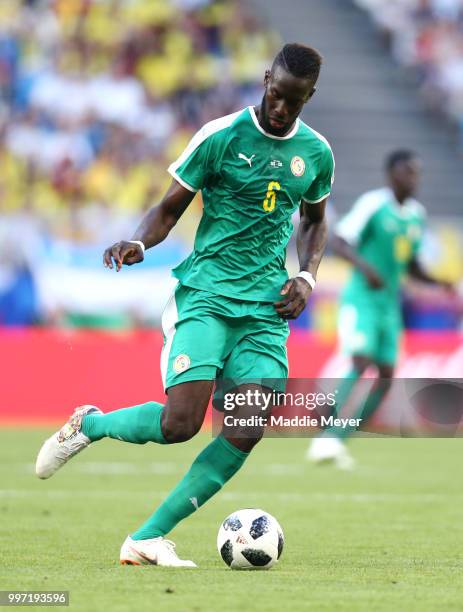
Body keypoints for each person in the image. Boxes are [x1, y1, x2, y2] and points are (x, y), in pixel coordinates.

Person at [35, 43, 334, 567]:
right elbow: (169, 207)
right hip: (207, 296)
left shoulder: (316, 153)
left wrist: (306, 276)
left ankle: (146, 538)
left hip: (265, 309)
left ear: (310, 96)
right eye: (275, 93)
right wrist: (140, 243)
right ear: (265, 79)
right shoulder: (220, 136)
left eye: (295, 101)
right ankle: (90, 425)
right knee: (180, 425)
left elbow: (313, 220)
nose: (281, 108)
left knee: (247, 425)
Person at [307, 150, 450, 469]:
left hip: (389, 305)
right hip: (362, 298)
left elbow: (412, 264)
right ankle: (326, 435)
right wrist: (366, 268)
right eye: (407, 172)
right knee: (361, 360)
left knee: (386, 376)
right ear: (391, 175)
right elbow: (341, 241)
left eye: (416, 173)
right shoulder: (374, 204)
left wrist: (440, 282)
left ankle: (339, 438)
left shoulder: (416, 214)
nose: (413, 179)